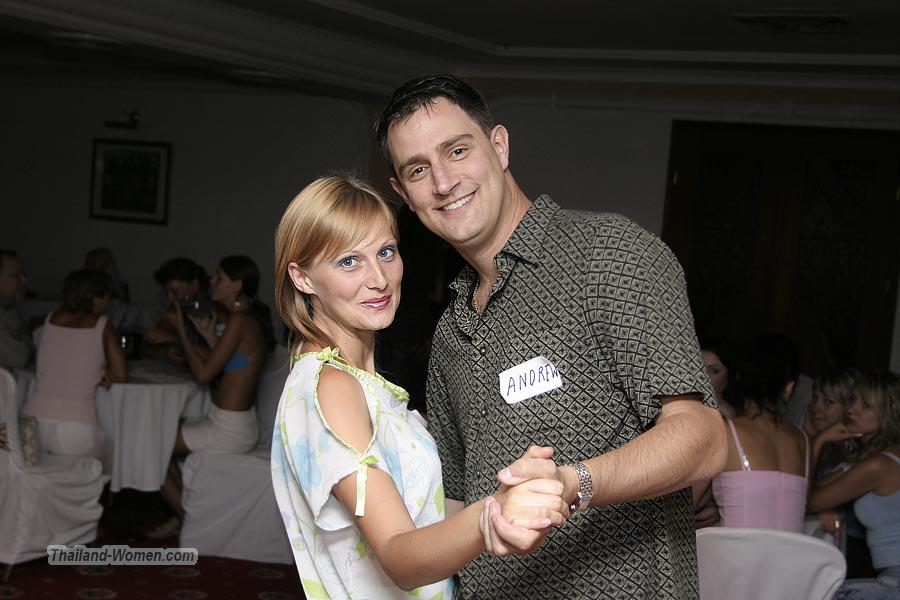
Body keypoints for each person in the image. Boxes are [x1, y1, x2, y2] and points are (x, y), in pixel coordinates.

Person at [375, 74, 727, 598]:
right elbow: (457, 502)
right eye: (419, 170)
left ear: (499, 146)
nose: (444, 182)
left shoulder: (607, 255)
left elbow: (703, 438)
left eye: (457, 150)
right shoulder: (451, 330)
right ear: (404, 194)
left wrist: (574, 482)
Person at [271, 175, 568, 599]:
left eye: (386, 252)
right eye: (349, 262)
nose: (378, 279)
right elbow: (399, 556)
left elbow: (425, 514)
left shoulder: (360, 382)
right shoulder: (331, 385)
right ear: (302, 278)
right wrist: (492, 513)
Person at [150, 255, 274, 538]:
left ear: (236, 286)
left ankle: (186, 517)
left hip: (228, 429)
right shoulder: (244, 319)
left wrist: (180, 330)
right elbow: (227, 367)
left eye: (219, 277)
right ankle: (187, 513)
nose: (211, 281)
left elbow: (204, 375)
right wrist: (208, 337)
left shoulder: (240, 320)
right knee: (160, 435)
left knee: (151, 448)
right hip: (233, 423)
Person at [698, 334, 810, 532]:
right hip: (794, 553)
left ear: (737, 379)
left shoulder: (726, 434)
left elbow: (686, 505)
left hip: (740, 552)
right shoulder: (803, 441)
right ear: (788, 388)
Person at [808, 371, 900, 598]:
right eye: (852, 400)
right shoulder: (878, 459)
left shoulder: (878, 466)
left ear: (888, 413)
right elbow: (814, 489)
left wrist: (819, 441)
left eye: (865, 405)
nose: (851, 409)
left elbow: (804, 501)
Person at [21, 269, 127, 456]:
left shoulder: (52, 318)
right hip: (74, 428)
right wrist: (103, 371)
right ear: (96, 299)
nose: (109, 302)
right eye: (108, 296)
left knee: (45, 471)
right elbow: (120, 375)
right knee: (115, 453)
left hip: (32, 421)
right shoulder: (103, 324)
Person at [142, 257, 212, 363]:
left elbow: (217, 358)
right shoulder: (178, 307)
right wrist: (165, 351)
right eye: (166, 293)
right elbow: (146, 345)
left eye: (174, 292)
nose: (170, 298)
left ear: (194, 284)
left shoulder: (215, 309)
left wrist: (176, 339)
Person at [0, 249, 33, 369]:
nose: (24, 280)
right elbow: (19, 358)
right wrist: (23, 336)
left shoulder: (8, 314)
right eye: (17, 275)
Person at [702, 341, 735, 418]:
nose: (703, 376)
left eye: (713, 371)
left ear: (726, 380)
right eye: (698, 368)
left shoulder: (730, 416)